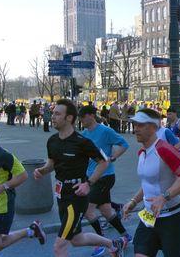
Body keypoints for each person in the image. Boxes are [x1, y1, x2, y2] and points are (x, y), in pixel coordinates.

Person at [33, 99, 126, 257]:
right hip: (61, 195)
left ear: (69, 118)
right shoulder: (52, 141)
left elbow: (103, 162)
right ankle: (114, 244)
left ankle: (115, 243)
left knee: (59, 246)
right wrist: (42, 170)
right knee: (76, 239)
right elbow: (51, 164)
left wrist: (89, 183)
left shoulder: (82, 141)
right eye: (53, 113)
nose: (52, 116)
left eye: (57, 113)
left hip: (76, 196)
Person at [122, 108, 180, 257]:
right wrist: (133, 201)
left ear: (154, 127)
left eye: (141, 125)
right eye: (135, 125)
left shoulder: (165, 149)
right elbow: (147, 183)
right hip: (149, 219)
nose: (135, 129)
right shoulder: (142, 152)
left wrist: (164, 197)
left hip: (172, 219)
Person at [78, 105, 132, 257]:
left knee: (88, 210)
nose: (80, 120)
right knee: (106, 210)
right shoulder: (83, 134)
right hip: (90, 176)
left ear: (90, 116)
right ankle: (125, 235)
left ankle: (101, 243)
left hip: (105, 176)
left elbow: (124, 144)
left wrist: (113, 158)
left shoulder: (105, 131)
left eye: (82, 117)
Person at [0, 121, 47, 256]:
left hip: (0, 204)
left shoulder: (3, 155)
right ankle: (31, 230)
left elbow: (23, 175)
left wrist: (3, 186)